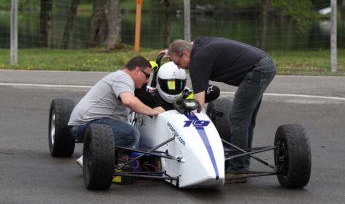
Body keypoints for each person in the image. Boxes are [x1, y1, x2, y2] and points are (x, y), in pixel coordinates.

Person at [164, 36, 276, 183]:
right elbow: (187, 44)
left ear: (185, 54)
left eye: (177, 63)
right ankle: (242, 164)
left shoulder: (198, 61)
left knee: (236, 118)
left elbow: (199, 102)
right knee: (246, 120)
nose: (178, 67)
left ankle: (238, 170)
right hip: (264, 63)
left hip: (257, 70)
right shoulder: (198, 44)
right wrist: (169, 52)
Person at [68, 56, 165, 167]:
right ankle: (91, 155)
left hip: (87, 123)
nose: (147, 80)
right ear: (137, 70)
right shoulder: (123, 78)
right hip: (86, 123)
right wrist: (152, 111)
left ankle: (117, 162)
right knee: (131, 134)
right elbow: (128, 101)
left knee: (132, 136)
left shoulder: (120, 78)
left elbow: (134, 103)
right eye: (147, 76)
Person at [134, 61, 220, 111]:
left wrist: (199, 88)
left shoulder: (188, 96)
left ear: (184, 83)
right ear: (159, 82)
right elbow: (136, 85)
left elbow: (214, 90)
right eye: (170, 85)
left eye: (177, 84)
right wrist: (147, 66)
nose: (173, 89)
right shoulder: (151, 96)